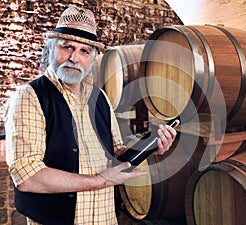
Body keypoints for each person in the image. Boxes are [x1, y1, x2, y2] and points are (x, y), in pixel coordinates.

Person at [5, 6, 177, 225]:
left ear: (92, 57)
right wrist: (99, 181)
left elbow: (116, 153)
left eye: (84, 51)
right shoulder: (30, 97)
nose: (74, 58)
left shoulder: (100, 98)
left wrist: (151, 146)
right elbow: (27, 177)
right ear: (50, 48)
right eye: (67, 47)